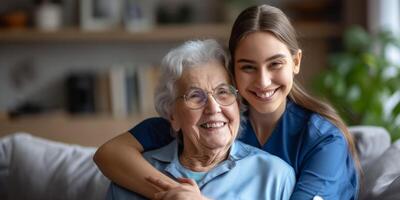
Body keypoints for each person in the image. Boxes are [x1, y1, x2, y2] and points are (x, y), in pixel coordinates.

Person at [94, 4, 360, 200]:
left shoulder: (323, 140)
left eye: (275, 64)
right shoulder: (200, 123)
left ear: (296, 62)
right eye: (248, 67)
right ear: (232, 71)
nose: (264, 81)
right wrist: (172, 192)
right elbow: (109, 154)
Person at [106, 39, 296, 200]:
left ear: (238, 104)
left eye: (223, 92)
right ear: (173, 115)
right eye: (195, 96)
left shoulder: (274, 176)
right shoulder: (132, 176)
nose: (213, 108)